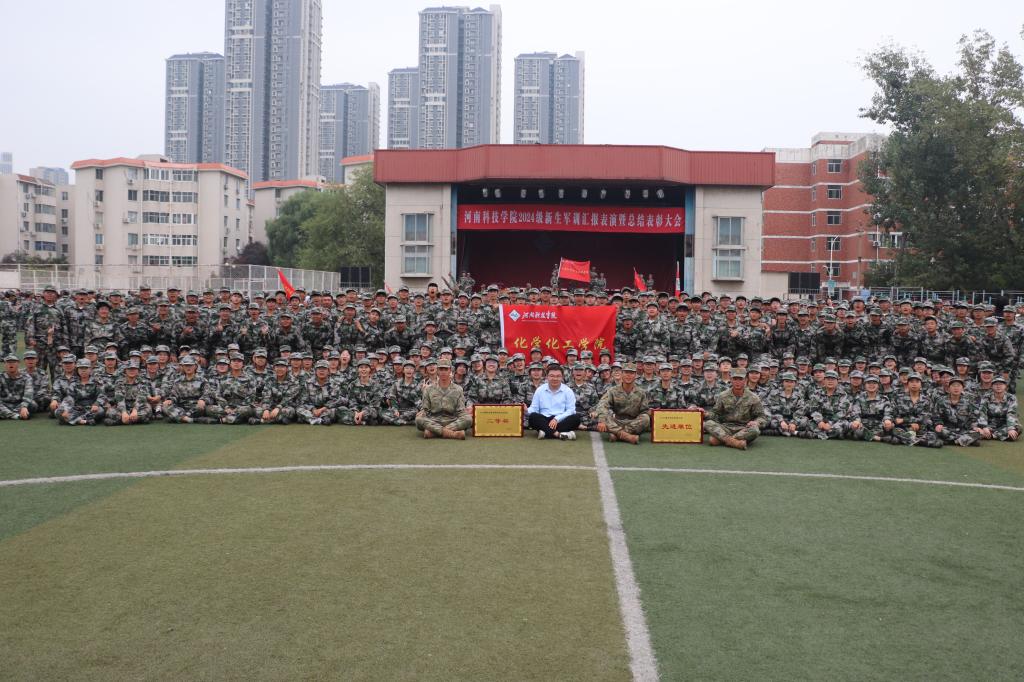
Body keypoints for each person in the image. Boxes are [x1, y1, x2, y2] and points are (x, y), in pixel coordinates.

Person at [704, 368, 767, 449]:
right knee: (708, 423)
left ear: (745, 380)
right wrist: (706, 414)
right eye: (735, 379)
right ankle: (735, 442)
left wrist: (756, 422)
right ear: (731, 380)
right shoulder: (723, 395)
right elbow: (715, 413)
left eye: (740, 379)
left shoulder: (753, 397)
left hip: (743, 428)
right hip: (726, 427)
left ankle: (722, 440)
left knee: (755, 430)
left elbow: (762, 417)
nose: (737, 382)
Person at [595, 362, 650, 445]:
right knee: (603, 416)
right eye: (626, 372)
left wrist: (649, 413)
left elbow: (644, 411)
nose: (628, 375)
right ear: (622, 374)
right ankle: (627, 437)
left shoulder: (641, 392)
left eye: (631, 373)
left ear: (635, 375)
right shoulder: (613, 390)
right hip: (616, 421)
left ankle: (617, 434)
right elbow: (602, 405)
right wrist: (602, 420)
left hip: (633, 423)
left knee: (646, 418)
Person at [416, 360, 472, 439]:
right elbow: (425, 409)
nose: (443, 372)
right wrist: (422, 413)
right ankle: (452, 434)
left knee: (468, 419)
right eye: (441, 369)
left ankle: (434, 433)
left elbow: (461, 411)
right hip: (434, 420)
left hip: (452, 421)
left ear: (450, 370)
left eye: (446, 369)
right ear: (437, 371)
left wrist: (465, 415)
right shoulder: (429, 389)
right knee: (419, 419)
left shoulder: (458, 389)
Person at [526, 364, 580, 440]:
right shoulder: (540, 390)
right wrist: (526, 410)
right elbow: (534, 408)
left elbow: (570, 410)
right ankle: (558, 434)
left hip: (560, 420)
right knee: (533, 417)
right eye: (552, 376)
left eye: (558, 376)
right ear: (547, 377)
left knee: (576, 418)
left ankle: (546, 432)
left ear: (562, 377)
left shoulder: (568, 391)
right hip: (544, 419)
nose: (555, 378)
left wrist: (556, 419)